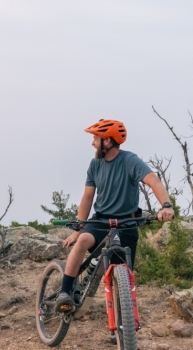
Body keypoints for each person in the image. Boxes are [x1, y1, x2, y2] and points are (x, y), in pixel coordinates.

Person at [55, 120, 174, 314]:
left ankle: (122, 326)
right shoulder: (95, 164)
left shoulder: (130, 161)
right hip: (100, 220)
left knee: (124, 276)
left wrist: (166, 205)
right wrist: (79, 229)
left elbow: (154, 181)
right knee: (83, 239)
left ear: (107, 141)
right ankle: (64, 292)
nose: (93, 143)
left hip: (126, 223)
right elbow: (87, 197)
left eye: (95, 138)